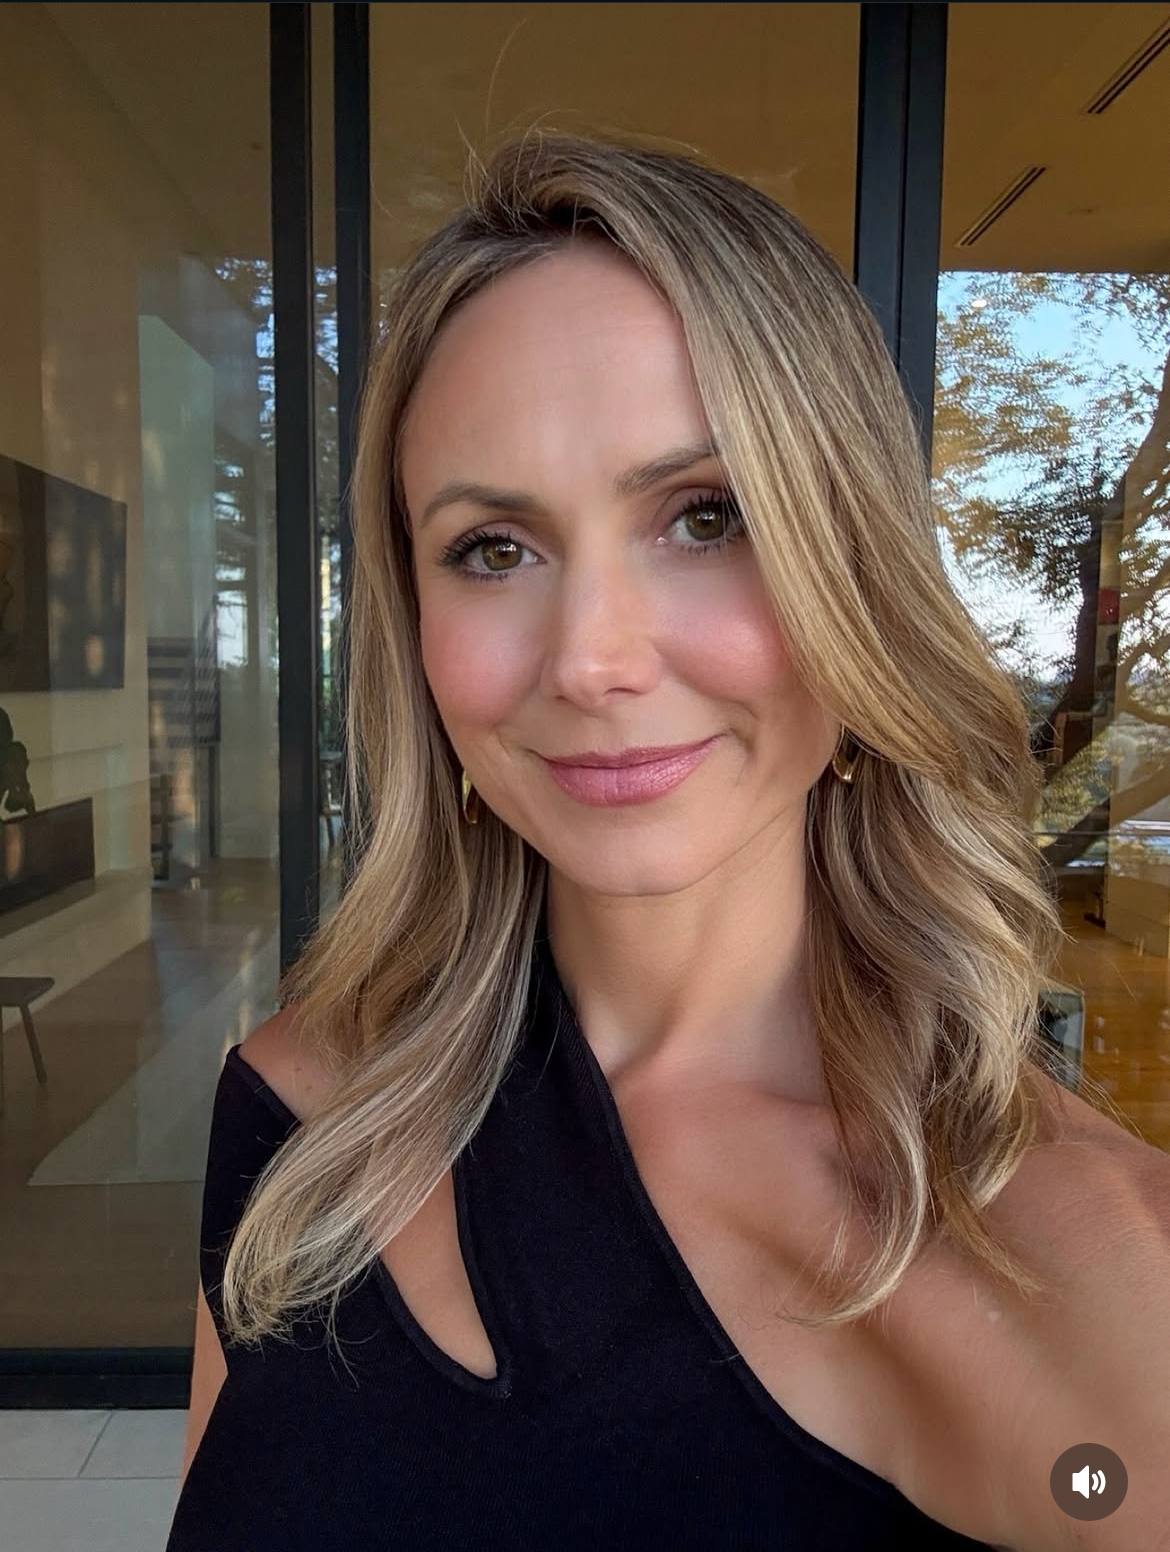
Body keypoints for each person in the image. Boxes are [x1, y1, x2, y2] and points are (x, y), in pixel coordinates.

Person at [167, 128, 1169, 1551]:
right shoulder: (303, 1110)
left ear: (854, 571)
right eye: (493, 549)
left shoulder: (1082, 1271)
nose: (591, 659)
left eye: (707, 517)